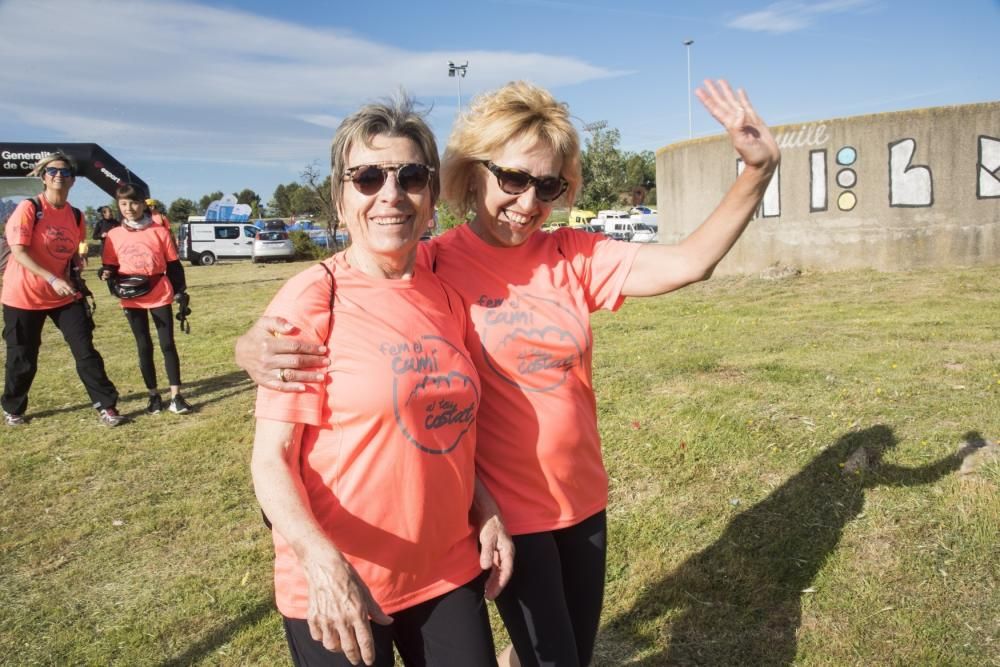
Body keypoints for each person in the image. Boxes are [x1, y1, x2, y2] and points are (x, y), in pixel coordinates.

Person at [237, 79, 780, 666]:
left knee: (569, 651)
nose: (527, 201)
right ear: (472, 174)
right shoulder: (436, 260)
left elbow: (691, 261)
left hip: (574, 503)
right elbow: (362, 280)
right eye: (512, 179)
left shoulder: (564, 256)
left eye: (546, 185)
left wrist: (756, 169)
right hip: (505, 516)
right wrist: (250, 346)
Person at [250, 96, 513, 667]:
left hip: (446, 567)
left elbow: (445, 428)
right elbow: (271, 460)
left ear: (431, 196)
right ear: (342, 201)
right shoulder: (312, 298)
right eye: (367, 177)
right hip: (342, 579)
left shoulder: (444, 296)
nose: (390, 194)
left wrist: (486, 507)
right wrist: (322, 564)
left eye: (410, 176)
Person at [2, 152, 123, 427]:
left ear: (72, 181)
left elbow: (74, 248)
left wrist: (77, 260)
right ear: (44, 177)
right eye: (53, 171)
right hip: (24, 295)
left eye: (65, 172)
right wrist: (52, 278)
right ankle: (13, 407)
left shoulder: (77, 215)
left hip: (63, 294)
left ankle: (107, 406)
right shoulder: (30, 208)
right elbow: (18, 252)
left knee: (85, 350)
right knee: (23, 357)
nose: (59, 176)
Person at [100, 185, 192, 415]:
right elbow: (109, 265)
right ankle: (153, 396)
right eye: (123, 204)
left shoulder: (159, 231)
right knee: (143, 346)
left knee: (167, 344)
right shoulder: (113, 235)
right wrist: (105, 274)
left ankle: (176, 396)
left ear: (143, 203)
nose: (129, 208)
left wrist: (180, 292)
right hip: (132, 298)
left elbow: (173, 265)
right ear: (118, 206)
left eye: (133, 203)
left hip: (160, 292)